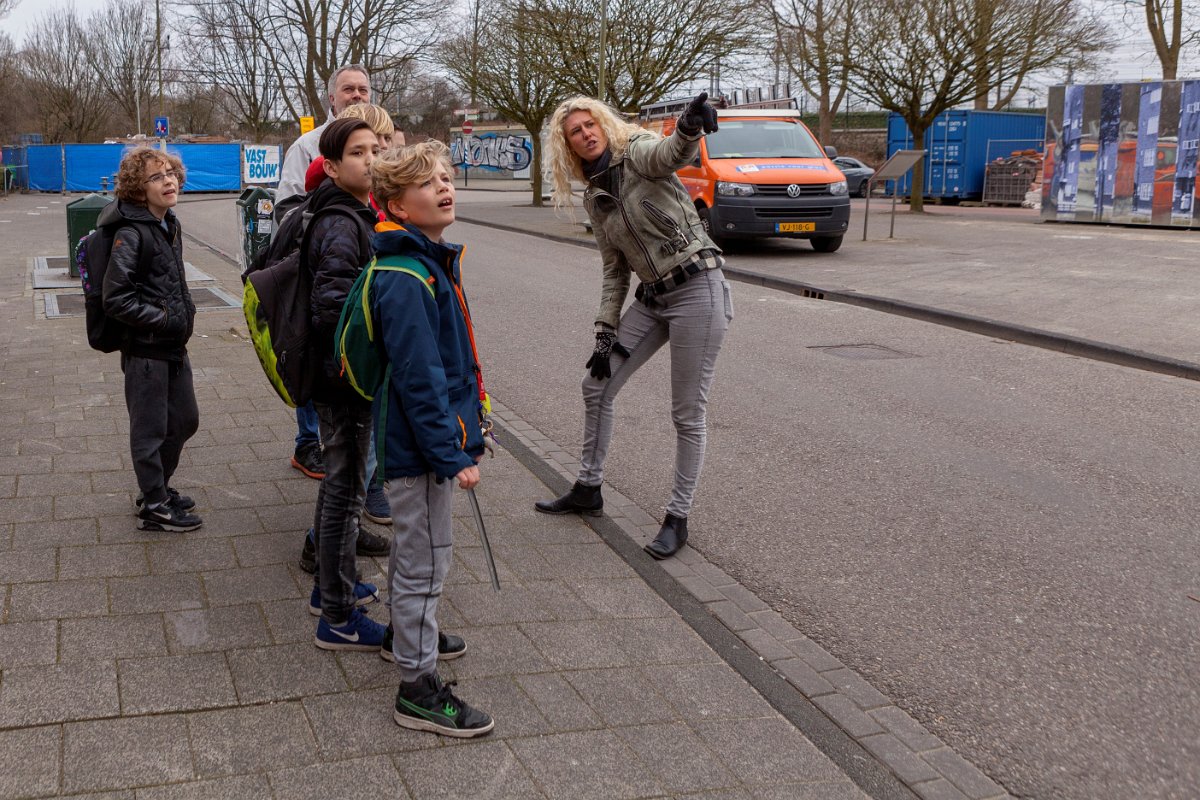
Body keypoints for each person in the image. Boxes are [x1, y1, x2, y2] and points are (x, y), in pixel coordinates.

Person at [535, 93, 731, 560]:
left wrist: (686, 128)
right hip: (652, 297)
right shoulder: (596, 195)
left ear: (603, 124)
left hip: (697, 290)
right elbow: (613, 268)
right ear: (568, 147)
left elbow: (669, 155)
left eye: (589, 125)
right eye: (574, 132)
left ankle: (677, 518)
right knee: (595, 387)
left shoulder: (636, 153)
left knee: (686, 412)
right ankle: (588, 488)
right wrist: (605, 328)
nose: (585, 134)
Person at [368, 140, 493, 737]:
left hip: (427, 444)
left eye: (446, 177)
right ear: (395, 203)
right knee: (425, 562)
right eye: (427, 182)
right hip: (416, 450)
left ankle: (403, 637)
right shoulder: (405, 274)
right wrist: (450, 453)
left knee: (419, 558)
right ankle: (417, 688)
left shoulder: (429, 260)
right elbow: (421, 379)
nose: (444, 187)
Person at [304, 117, 391, 651]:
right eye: (359, 152)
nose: (372, 159)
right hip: (345, 381)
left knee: (340, 486)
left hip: (339, 377)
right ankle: (336, 616)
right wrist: (367, 362)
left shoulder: (352, 212)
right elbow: (332, 307)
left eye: (376, 149)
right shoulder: (342, 222)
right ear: (333, 168)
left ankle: (328, 588)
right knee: (346, 492)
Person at [277, 64, 371, 485]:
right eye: (347, 89)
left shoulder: (377, 142)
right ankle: (306, 442)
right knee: (317, 350)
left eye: (363, 89)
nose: (356, 95)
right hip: (318, 265)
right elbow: (284, 210)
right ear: (331, 98)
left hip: (360, 265)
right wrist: (323, 224)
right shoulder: (307, 145)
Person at [100, 146, 201, 532]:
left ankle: (157, 488)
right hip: (147, 351)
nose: (169, 181)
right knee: (149, 430)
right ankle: (155, 506)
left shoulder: (167, 223)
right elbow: (115, 298)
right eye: (156, 177)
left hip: (173, 346)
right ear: (139, 190)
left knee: (185, 420)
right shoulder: (132, 232)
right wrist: (161, 319)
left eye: (170, 173)